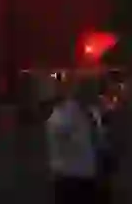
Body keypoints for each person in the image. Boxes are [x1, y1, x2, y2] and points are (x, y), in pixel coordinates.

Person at [46, 73, 108, 203]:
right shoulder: (63, 115)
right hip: (70, 178)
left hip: (92, 176)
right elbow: (59, 143)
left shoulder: (93, 112)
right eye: (91, 90)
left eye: (96, 90)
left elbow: (98, 139)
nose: (96, 94)